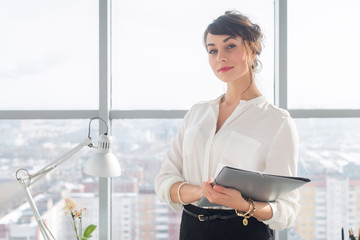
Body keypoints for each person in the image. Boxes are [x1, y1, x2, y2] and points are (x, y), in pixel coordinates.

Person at [155, 10, 300, 240]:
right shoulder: (197, 114)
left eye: (230, 46)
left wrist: (243, 204)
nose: (220, 57)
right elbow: (165, 182)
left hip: (245, 230)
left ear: (252, 49)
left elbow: (287, 210)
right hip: (192, 230)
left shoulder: (277, 122)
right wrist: (203, 192)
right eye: (213, 50)